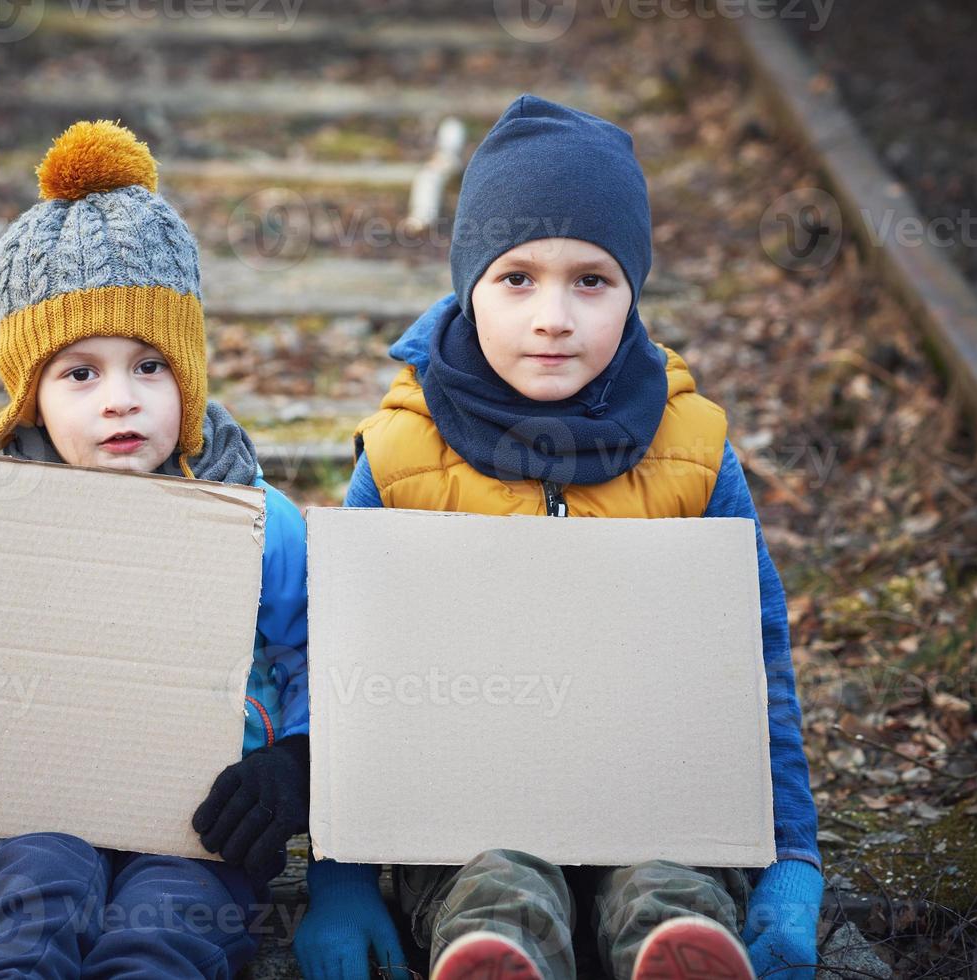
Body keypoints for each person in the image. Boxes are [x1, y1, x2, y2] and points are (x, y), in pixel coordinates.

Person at [293, 94, 821, 980]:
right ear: (469, 284)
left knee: (668, 881)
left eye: (592, 280)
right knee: (494, 882)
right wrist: (338, 874)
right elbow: (347, 672)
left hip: (655, 795)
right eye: (517, 278)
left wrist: (792, 860)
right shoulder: (399, 454)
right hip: (464, 813)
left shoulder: (692, 453)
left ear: (633, 291)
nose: (553, 317)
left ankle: (679, 952)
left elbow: (755, 661)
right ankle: (497, 959)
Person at [0, 120, 311, 979]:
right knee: (31, 901)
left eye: (150, 366)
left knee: (167, 928)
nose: (120, 401)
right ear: (31, 396)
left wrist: (293, 763)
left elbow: (311, 654)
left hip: (202, 819)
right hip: (41, 801)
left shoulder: (259, 518)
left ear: (191, 373)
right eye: (80, 373)